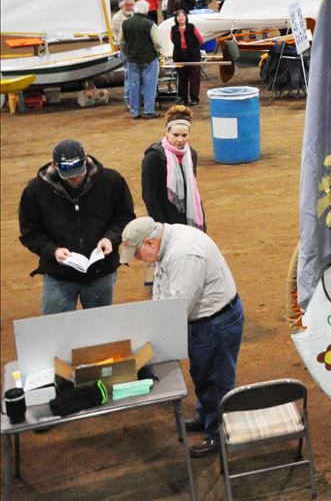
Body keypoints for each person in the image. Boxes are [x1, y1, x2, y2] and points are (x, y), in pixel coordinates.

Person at [119, 217, 243, 457]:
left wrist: (150, 337)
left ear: (149, 242)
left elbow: (178, 308)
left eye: (136, 254)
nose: (137, 260)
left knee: (216, 379)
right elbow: (162, 289)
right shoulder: (167, 242)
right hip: (202, 321)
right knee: (202, 373)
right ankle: (206, 415)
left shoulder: (185, 254)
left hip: (215, 322)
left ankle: (218, 434)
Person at [19, 140, 134, 315]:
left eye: (78, 172)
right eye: (68, 174)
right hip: (59, 275)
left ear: (86, 159)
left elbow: (124, 218)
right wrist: (53, 250)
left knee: (100, 329)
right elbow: (30, 232)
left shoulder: (111, 181)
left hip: (101, 272)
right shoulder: (35, 191)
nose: (75, 178)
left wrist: (110, 238)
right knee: (56, 330)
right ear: (54, 166)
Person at [141, 105, 206, 229]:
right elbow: (149, 195)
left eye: (184, 135)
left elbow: (192, 188)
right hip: (166, 219)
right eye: (175, 135)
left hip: (189, 216)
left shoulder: (191, 154)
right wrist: (161, 225)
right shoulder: (154, 157)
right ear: (166, 131)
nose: (180, 140)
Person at [121, 0, 165, 119]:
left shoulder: (125, 23)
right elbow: (157, 43)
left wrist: (128, 52)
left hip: (132, 59)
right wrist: (158, 53)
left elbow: (121, 41)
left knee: (134, 85)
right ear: (146, 11)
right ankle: (148, 111)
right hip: (149, 59)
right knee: (149, 85)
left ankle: (134, 112)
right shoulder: (150, 24)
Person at [170, 9, 206, 106]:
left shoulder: (192, 27)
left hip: (193, 55)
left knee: (194, 77)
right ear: (176, 19)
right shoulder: (173, 29)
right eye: (179, 16)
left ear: (186, 17)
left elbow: (200, 40)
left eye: (183, 16)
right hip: (179, 55)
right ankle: (183, 97)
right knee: (182, 77)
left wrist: (193, 47)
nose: (181, 18)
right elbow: (173, 40)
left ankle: (194, 98)